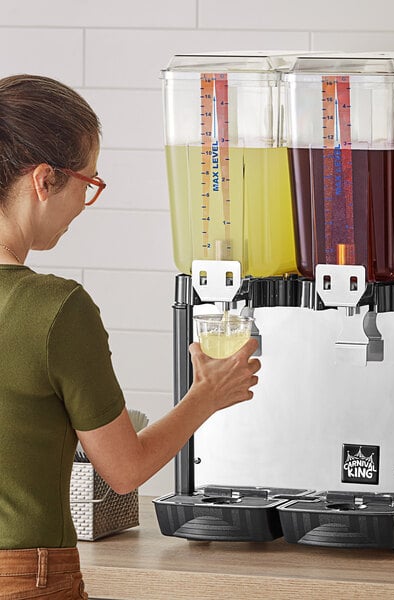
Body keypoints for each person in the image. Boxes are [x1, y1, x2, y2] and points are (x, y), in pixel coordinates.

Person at [0, 74, 261, 599]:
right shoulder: (55, 309)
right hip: (24, 573)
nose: (83, 204)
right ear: (45, 180)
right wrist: (207, 394)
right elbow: (124, 471)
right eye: (88, 183)